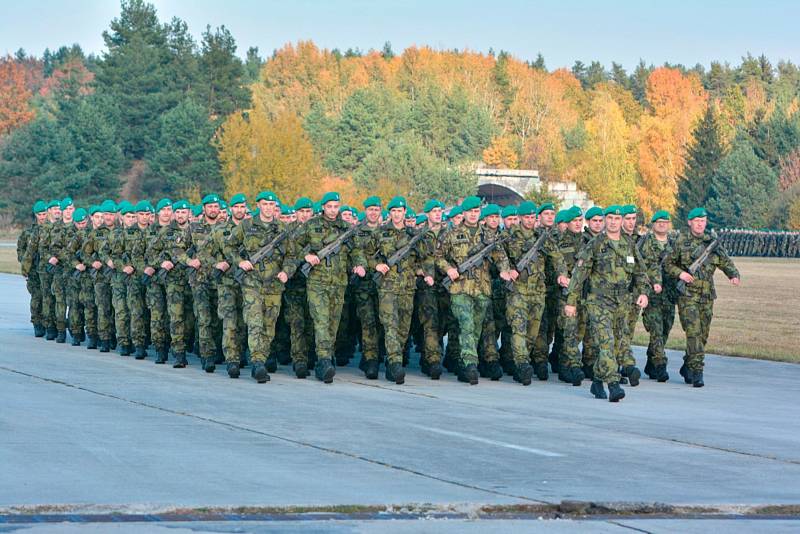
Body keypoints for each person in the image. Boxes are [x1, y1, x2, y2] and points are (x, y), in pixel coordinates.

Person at [564, 206, 650, 402]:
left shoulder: (629, 244)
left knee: (617, 345)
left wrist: (643, 292)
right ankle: (613, 383)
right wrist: (571, 301)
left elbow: (640, 272)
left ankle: (597, 379)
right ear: (604, 221)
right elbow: (579, 275)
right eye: (609, 218)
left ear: (621, 222)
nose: (612, 222)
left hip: (622, 303)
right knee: (606, 342)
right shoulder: (595, 244)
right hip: (598, 302)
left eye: (616, 219)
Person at [664, 207, 740, 387]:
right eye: (697, 221)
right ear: (689, 222)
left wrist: (734, 275)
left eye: (703, 221)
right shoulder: (680, 241)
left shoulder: (711, 243)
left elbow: (725, 262)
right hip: (687, 295)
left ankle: (688, 365)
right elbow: (667, 264)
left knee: (703, 335)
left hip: (706, 296)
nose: (700, 224)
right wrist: (680, 274)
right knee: (693, 333)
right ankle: (697, 371)